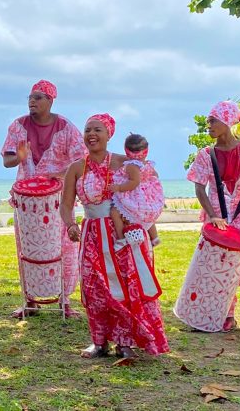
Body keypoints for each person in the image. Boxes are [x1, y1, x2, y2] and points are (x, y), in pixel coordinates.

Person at [60, 113, 169, 359]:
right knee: (94, 287)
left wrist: (142, 218)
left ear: (109, 135)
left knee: (125, 286)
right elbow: (66, 204)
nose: (91, 135)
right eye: (87, 130)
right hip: (91, 234)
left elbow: (151, 188)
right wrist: (70, 225)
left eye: (97, 130)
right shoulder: (76, 168)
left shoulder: (124, 163)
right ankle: (99, 342)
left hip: (121, 234)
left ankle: (125, 341)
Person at [1, 80, 85, 318]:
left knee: (64, 248)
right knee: (26, 249)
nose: (32, 101)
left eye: (38, 97)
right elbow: (7, 161)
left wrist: (61, 176)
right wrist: (19, 157)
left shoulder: (66, 127)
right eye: (30, 97)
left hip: (58, 198)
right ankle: (30, 299)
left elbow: (82, 161)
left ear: (51, 100)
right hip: (27, 202)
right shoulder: (18, 126)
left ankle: (64, 301)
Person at [186, 101, 240, 338]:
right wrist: (212, 215)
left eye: (213, 121)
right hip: (218, 217)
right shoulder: (205, 154)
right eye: (208, 120)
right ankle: (226, 315)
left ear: (227, 122)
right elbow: (200, 188)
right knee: (221, 267)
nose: (208, 124)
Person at [109, 133, 163, 249]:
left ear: (127, 151)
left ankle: (121, 238)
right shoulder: (148, 164)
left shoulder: (131, 166)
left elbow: (134, 182)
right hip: (147, 196)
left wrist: (118, 188)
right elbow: (155, 176)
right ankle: (155, 237)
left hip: (136, 196)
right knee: (148, 217)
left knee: (115, 212)